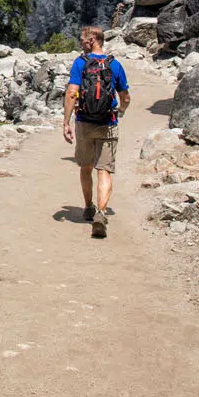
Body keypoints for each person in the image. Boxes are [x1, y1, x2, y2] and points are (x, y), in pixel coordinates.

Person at [62, 25, 130, 238]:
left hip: (84, 122)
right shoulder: (115, 65)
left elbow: (72, 92)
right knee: (104, 170)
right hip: (107, 123)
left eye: (83, 40)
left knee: (85, 166)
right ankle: (101, 212)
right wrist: (121, 110)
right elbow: (125, 97)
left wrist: (66, 121)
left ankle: (88, 206)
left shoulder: (80, 63)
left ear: (92, 40)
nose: (81, 44)